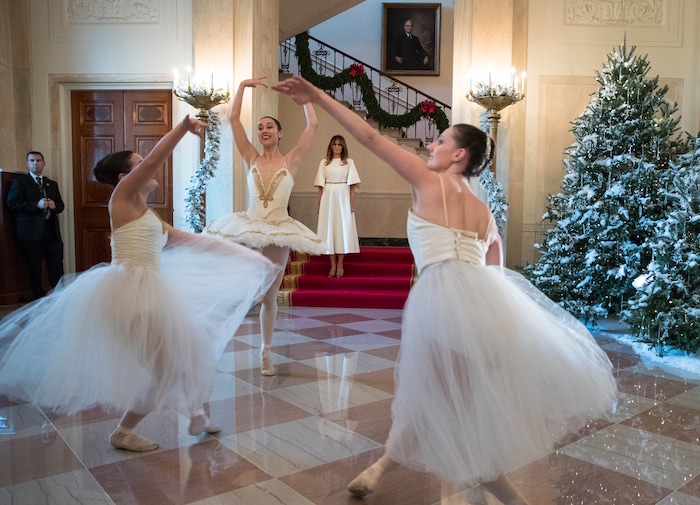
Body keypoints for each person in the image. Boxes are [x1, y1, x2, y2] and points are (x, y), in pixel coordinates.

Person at [272, 76, 617, 504]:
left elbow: (368, 135)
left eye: (439, 141)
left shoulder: (428, 180)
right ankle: (388, 470)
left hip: (440, 304)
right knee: (449, 401)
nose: (429, 147)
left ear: (458, 155)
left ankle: (494, 493)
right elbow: (496, 265)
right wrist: (503, 324)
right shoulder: (482, 209)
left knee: (438, 401)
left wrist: (319, 96)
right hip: (486, 310)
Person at [0, 115, 279, 452]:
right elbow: (154, 159)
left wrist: (249, 257)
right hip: (127, 294)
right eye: (138, 166)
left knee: (193, 350)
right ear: (126, 177)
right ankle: (124, 432)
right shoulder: (122, 197)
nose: (150, 171)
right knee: (164, 369)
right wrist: (182, 127)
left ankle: (197, 415)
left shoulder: (149, 216)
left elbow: (196, 241)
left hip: (149, 291)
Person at [205, 77, 325, 376]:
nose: (263, 130)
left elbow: (313, 126)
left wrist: (304, 95)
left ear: (280, 133)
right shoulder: (251, 157)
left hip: (279, 229)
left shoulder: (292, 160)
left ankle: (265, 352)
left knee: (269, 296)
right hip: (249, 226)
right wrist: (243, 86)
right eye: (259, 127)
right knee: (248, 288)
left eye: (269, 126)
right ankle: (213, 337)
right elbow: (233, 119)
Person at [7, 151, 65, 300]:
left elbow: (61, 205)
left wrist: (54, 206)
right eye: (32, 161)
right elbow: (12, 203)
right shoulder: (20, 182)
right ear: (27, 164)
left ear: (43, 163)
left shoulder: (51, 184)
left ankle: (59, 296)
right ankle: (39, 298)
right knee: (34, 268)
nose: (35, 163)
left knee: (56, 265)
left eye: (38, 161)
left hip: (51, 232)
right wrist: (35, 205)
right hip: (30, 234)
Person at [314, 135, 361, 277]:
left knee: (341, 230)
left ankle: (340, 263)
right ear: (330, 146)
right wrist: (319, 205)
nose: (336, 147)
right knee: (330, 230)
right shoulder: (324, 163)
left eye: (339, 144)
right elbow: (320, 187)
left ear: (343, 147)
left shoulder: (348, 162)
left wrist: (351, 205)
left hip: (342, 197)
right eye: (334, 144)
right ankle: (332, 263)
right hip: (328, 197)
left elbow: (352, 186)